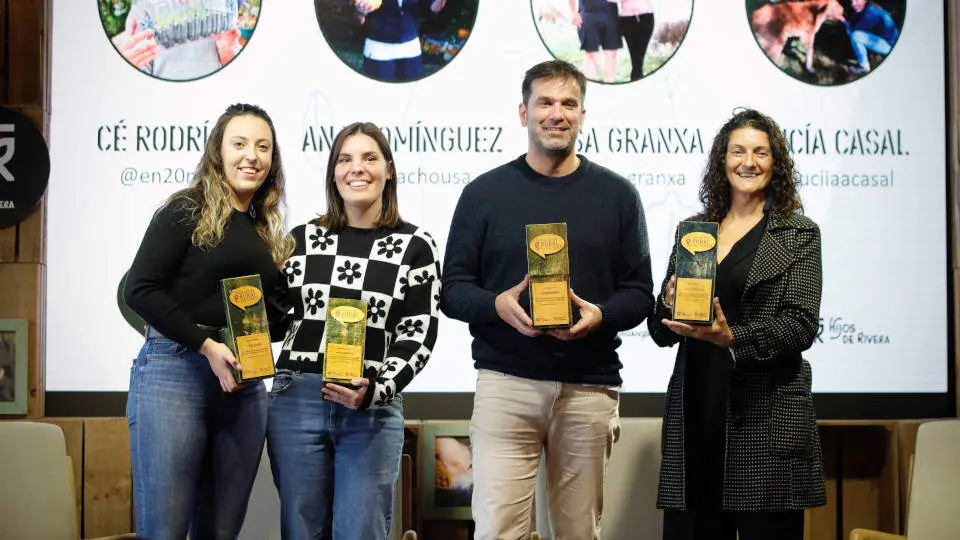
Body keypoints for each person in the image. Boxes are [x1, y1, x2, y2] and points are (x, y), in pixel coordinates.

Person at [440, 59, 655, 540]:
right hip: (506, 383)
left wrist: (601, 316)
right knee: (498, 531)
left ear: (583, 114)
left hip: (589, 388)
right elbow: (452, 289)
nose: (556, 113)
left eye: (569, 103)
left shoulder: (619, 195)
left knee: (578, 533)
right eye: (545, 102)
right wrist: (496, 305)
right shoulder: (483, 194)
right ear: (523, 112)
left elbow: (641, 294)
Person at [647, 108, 826, 540]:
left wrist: (734, 339)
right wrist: (666, 307)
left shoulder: (798, 234)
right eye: (738, 151)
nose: (749, 162)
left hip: (765, 421)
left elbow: (800, 325)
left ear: (775, 162)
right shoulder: (694, 231)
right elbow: (659, 330)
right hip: (697, 416)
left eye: (761, 152)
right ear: (722, 161)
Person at [124, 103, 293, 540]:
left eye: (263, 147)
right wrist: (206, 346)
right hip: (175, 373)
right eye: (239, 144)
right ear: (218, 151)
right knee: (165, 529)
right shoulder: (187, 208)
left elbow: (268, 322)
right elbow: (140, 289)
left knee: (221, 532)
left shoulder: (265, 230)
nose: (251, 156)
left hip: (244, 386)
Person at [267, 122, 440, 539]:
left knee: (360, 531)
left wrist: (377, 389)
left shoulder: (416, 246)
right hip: (297, 400)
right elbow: (276, 322)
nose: (356, 169)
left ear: (389, 170)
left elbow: (418, 336)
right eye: (344, 159)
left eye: (369, 158)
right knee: (301, 531)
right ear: (332, 173)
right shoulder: (302, 240)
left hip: (371, 408)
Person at [112, 0, 242, 80]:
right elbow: (136, 78)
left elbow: (239, 70)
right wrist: (128, 67)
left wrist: (228, 54)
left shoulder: (224, 5)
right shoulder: (144, 8)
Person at [354, 0, 448, 82]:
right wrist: (360, 13)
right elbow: (354, 18)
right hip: (379, 49)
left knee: (411, 96)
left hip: (410, 48)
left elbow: (429, 9)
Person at [569, 0, 622, 83]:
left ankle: (609, 86)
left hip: (611, 13)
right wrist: (573, 12)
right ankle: (589, 87)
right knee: (591, 55)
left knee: (612, 54)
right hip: (588, 13)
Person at [842, 0, 899, 75]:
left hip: (891, 47)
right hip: (886, 41)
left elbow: (855, 30)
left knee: (856, 35)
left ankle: (863, 66)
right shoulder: (867, 8)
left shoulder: (872, 12)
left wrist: (842, 19)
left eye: (856, 0)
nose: (853, 4)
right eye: (851, 1)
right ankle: (869, 57)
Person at [619, 0, 655, 81]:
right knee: (636, 61)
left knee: (638, 62)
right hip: (627, 19)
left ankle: (636, 81)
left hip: (645, 17)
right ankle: (636, 82)